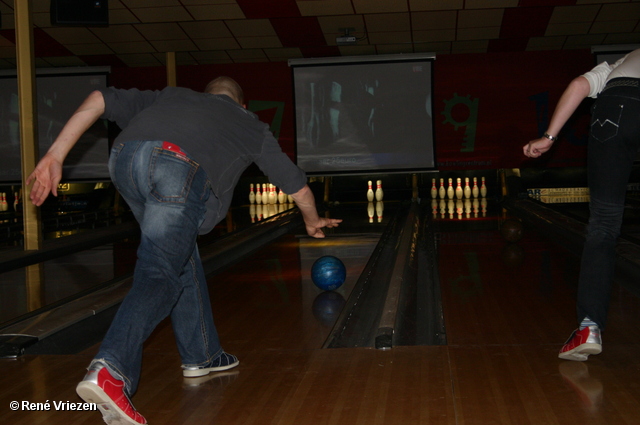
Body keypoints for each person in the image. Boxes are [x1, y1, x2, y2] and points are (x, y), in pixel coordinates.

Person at [26, 76, 342, 424]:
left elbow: (101, 97)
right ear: (242, 105)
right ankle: (111, 370)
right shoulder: (249, 123)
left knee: (179, 252)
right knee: (159, 271)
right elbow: (297, 188)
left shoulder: (170, 96)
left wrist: (56, 154)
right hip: (176, 168)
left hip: (125, 159)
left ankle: (202, 355)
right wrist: (312, 222)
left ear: (204, 94)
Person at [523, 49, 640, 361]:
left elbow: (578, 85)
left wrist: (549, 136)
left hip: (615, 106)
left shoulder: (625, 60)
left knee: (604, 223)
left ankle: (588, 328)